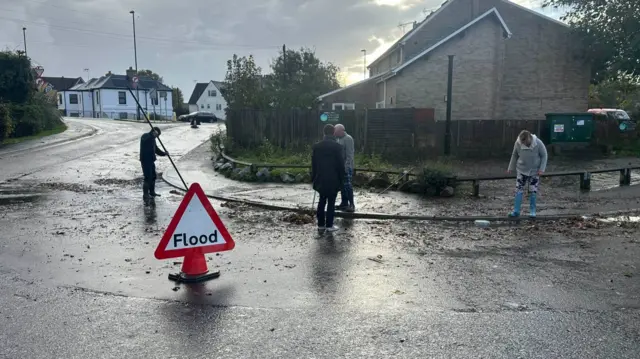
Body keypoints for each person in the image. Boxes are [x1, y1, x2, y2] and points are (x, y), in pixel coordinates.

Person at [312, 124, 346, 233]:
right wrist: (342, 178)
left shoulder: (317, 146)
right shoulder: (337, 147)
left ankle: (321, 225)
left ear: (324, 133)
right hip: (333, 179)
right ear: (333, 133)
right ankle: (329, 225)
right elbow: (341, 165)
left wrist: (314, 177)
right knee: (331, 202)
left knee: (321, 201)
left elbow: (314, 164)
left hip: (321, 178)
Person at [507, 130, 548, 218]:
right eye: (523, 143)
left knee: (533, 191)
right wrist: (510, 167)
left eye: (526, 142)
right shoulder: (518, 143)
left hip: (534, 171)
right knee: (518, 189)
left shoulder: (538, 142)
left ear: (530, 138)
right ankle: (516, 211)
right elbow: (514, 154)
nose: (525, 144)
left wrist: (542, 169)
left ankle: (532, 211)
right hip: (521, 170)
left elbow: (544, 155)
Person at [140, 126, 168, 203]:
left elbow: (156, 149)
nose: (157, 137)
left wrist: (164, 153)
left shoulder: (153, 139)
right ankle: (145, 194)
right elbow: (146, 139)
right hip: (145, 160)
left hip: (151, 160)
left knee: (153, 176)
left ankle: (152, 192)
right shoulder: (145, 136)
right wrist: (152, 135)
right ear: (154, 132)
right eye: (157, 135)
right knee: (147, 177)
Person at [334, 124, 355, 212]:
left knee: (347, 186)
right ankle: (344, 203)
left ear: (341, 131)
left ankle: (351, 204)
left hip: (347, 167)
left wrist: (346, 168)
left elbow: (350, 155)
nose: (334, 133)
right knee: (342, 186)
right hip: (340, 167)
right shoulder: (338, 139)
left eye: (336, 132)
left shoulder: (348, 139)